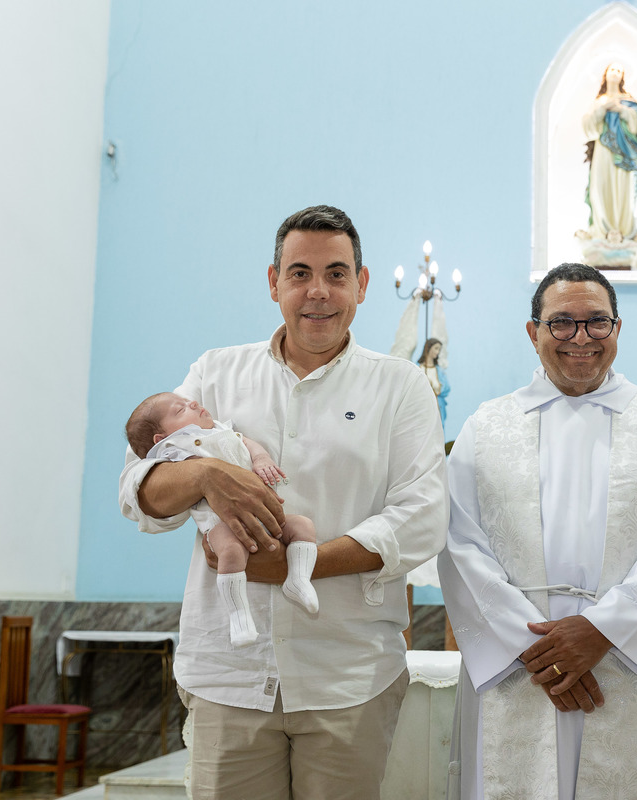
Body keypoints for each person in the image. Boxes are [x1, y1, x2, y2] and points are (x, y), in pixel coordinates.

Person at [118, 205, 448, 800]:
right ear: (273, 283)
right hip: (228, 676)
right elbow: (139, 494)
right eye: (299, 273)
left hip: (348, 675)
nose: (317, 292)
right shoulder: (215, 374)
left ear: (362, 284)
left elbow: (421, 518)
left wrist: (303, 564)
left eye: (336, 274)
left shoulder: (400, 386)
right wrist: (209, 473)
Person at [438, 263, 637, 799]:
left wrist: (601, 631)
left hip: (625, 660)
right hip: (517, 664)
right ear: (533, 331)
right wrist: (533, 646)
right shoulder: (486, 426)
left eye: (597, 323)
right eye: (561, 322)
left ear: (617, 329)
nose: (580, 338)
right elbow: (458, 541)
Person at [125, 392, 320, 647]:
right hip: (220, 524)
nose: (193, 403)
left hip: (267, 515)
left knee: (303, 526)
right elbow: (141, 482)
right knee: (230, 551)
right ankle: (239, 615)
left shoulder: (221, 430)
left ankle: (298, 579)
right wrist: (203, 474)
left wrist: (261, 459)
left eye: (188, 402)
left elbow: (246, 443)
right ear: (162, 439)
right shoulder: (174, 449)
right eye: (180, 410)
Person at [582, 63, 637, 243]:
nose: (614, 73)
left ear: (622, 77)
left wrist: (623, 111)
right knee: (600, 186)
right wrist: (602, 109)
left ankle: (624, 230)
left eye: (618, 71)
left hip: (623, 153)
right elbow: (589, 127)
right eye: (611, 70)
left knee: (624, 188)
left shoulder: (629, 101)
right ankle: (602, 229)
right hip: (604, 151)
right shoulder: (599, 101)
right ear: (605, 74)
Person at [416, 337, 450, 424]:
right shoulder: (417, 368)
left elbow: (447, 388)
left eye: (439, 349)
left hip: (437, 406)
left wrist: (436, 386)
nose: (437, 352)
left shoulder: (439, 370)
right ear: (428, 348)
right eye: (436, 348)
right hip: (422, 406)